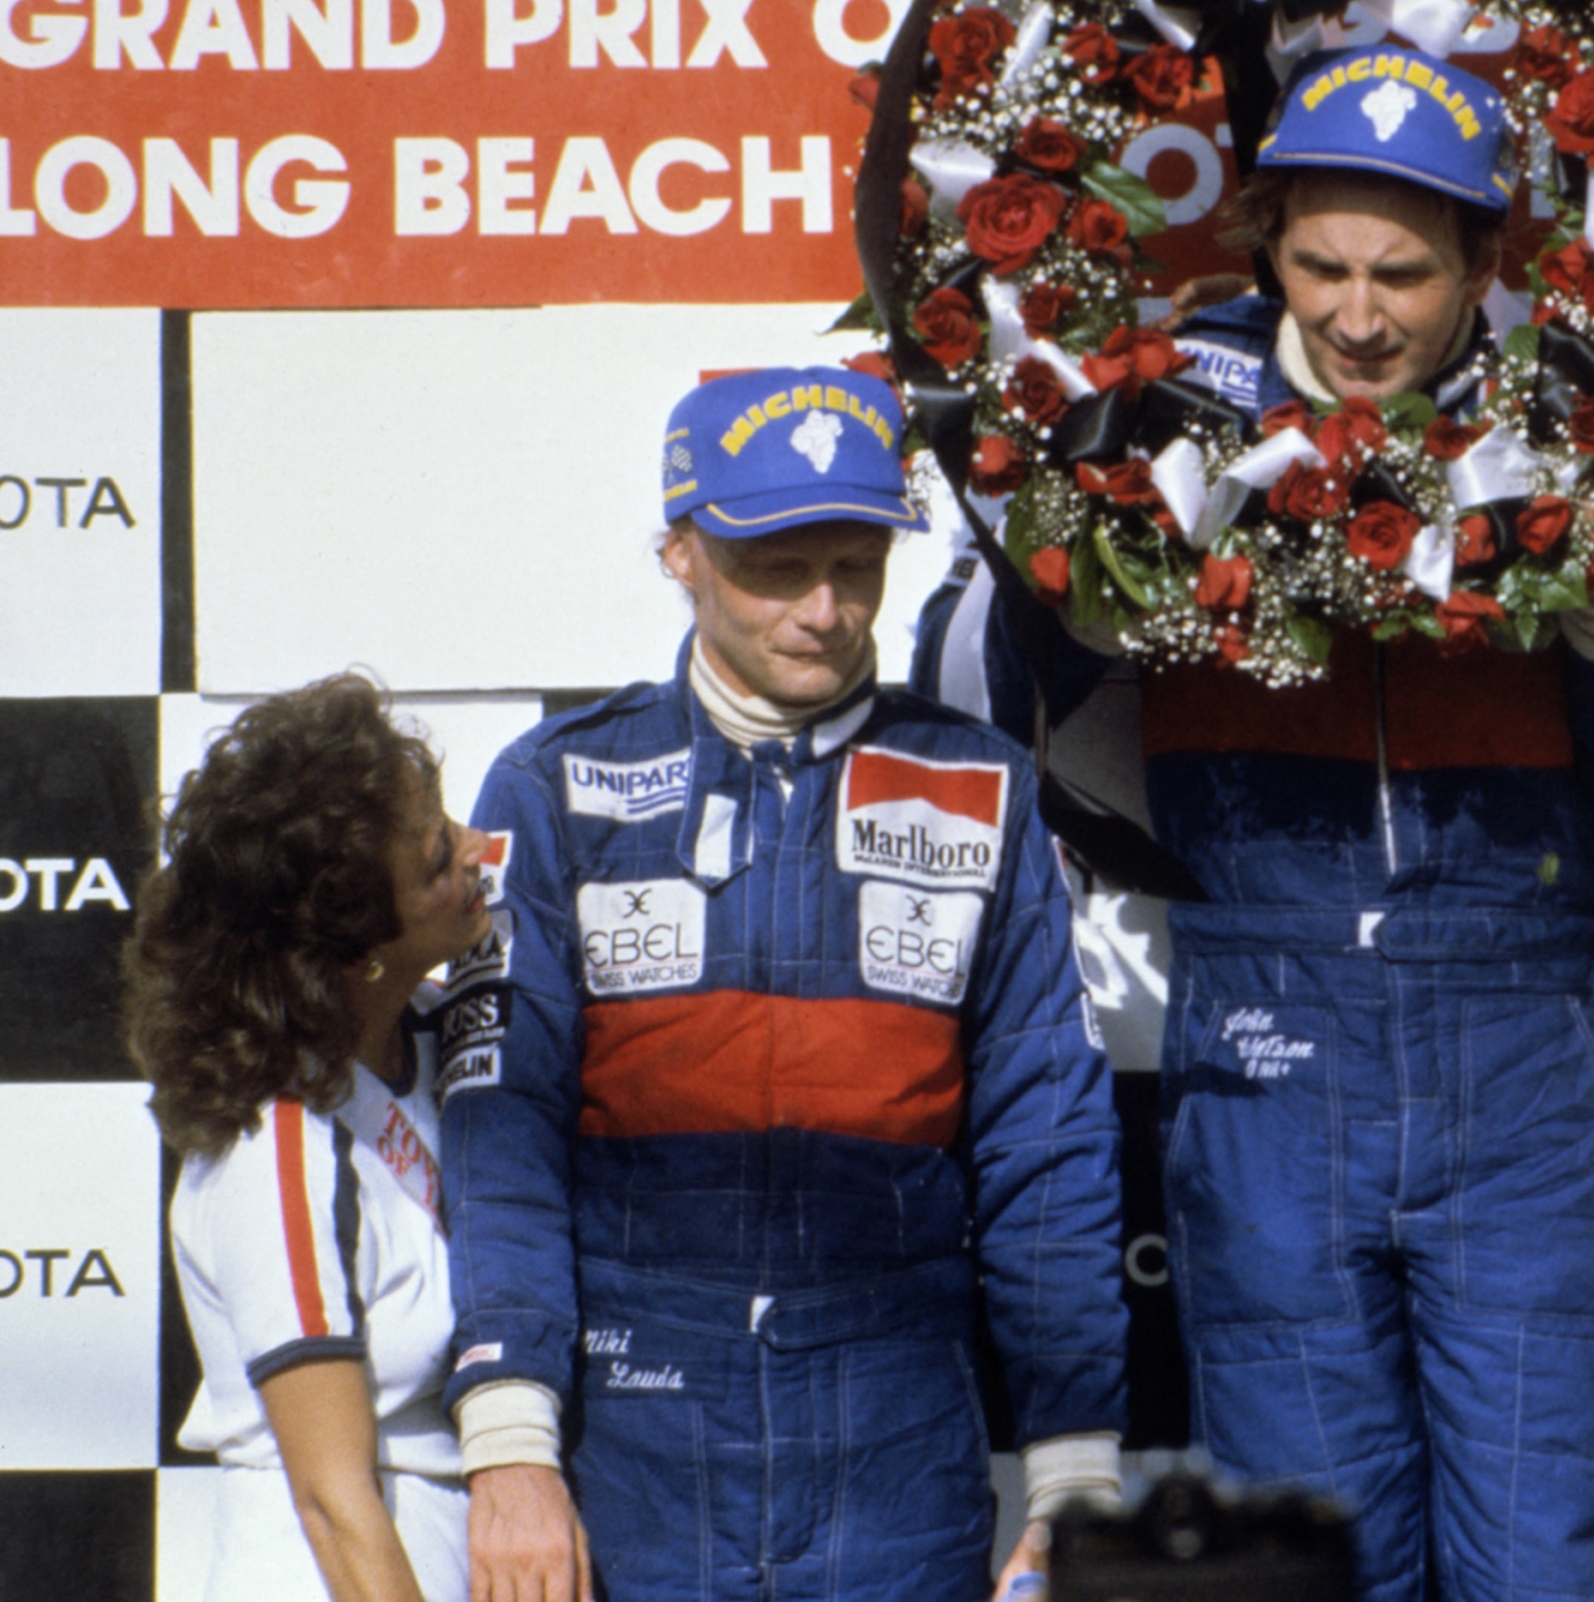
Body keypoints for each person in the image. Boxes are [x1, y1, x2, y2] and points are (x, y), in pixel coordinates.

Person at [911, 45, 1594, 1602]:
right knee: (1307, 1563)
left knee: (1556, 1554)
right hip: (1267, 1043)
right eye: (1320, 264)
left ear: (1483, 262)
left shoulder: (1566, 427)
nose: (1359, 312)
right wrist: (1091, 584)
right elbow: (974, 699)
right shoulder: (1154, 414)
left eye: (1404, 270)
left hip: (1520, 1047)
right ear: (1264, 244)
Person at [440, 365, 1130, 1602]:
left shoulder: (978, 783)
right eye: (776, 566)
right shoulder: (554, 788)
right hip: (636, 1423)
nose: (824, 610)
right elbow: (501, 1148)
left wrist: (1075, 1471)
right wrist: (510, 1451)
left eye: (857, 566)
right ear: (680, 553)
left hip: (899, 1423)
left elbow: (1048, 1142)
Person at [122, 674, 489, 1602]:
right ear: (359, 943)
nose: (482, 854)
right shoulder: (273, 1143)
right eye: (441, 856)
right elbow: (330, 1500)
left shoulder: (443, 1034)